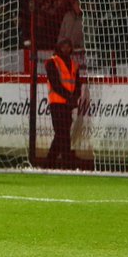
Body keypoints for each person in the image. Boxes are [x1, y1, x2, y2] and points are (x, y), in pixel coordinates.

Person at [44, 37, 81, 169]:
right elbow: (55, 83)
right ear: (59, 47)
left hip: (67, 103)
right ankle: (66, 160)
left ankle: (50, 161)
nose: (67, 49)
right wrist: (69, 97)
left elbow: (77, 84)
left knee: (61, 133)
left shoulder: (74, 64)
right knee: (62, 133)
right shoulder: (52, 62)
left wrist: (75, 97)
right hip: (57, 102)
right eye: (64, 46)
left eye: (68, 46)